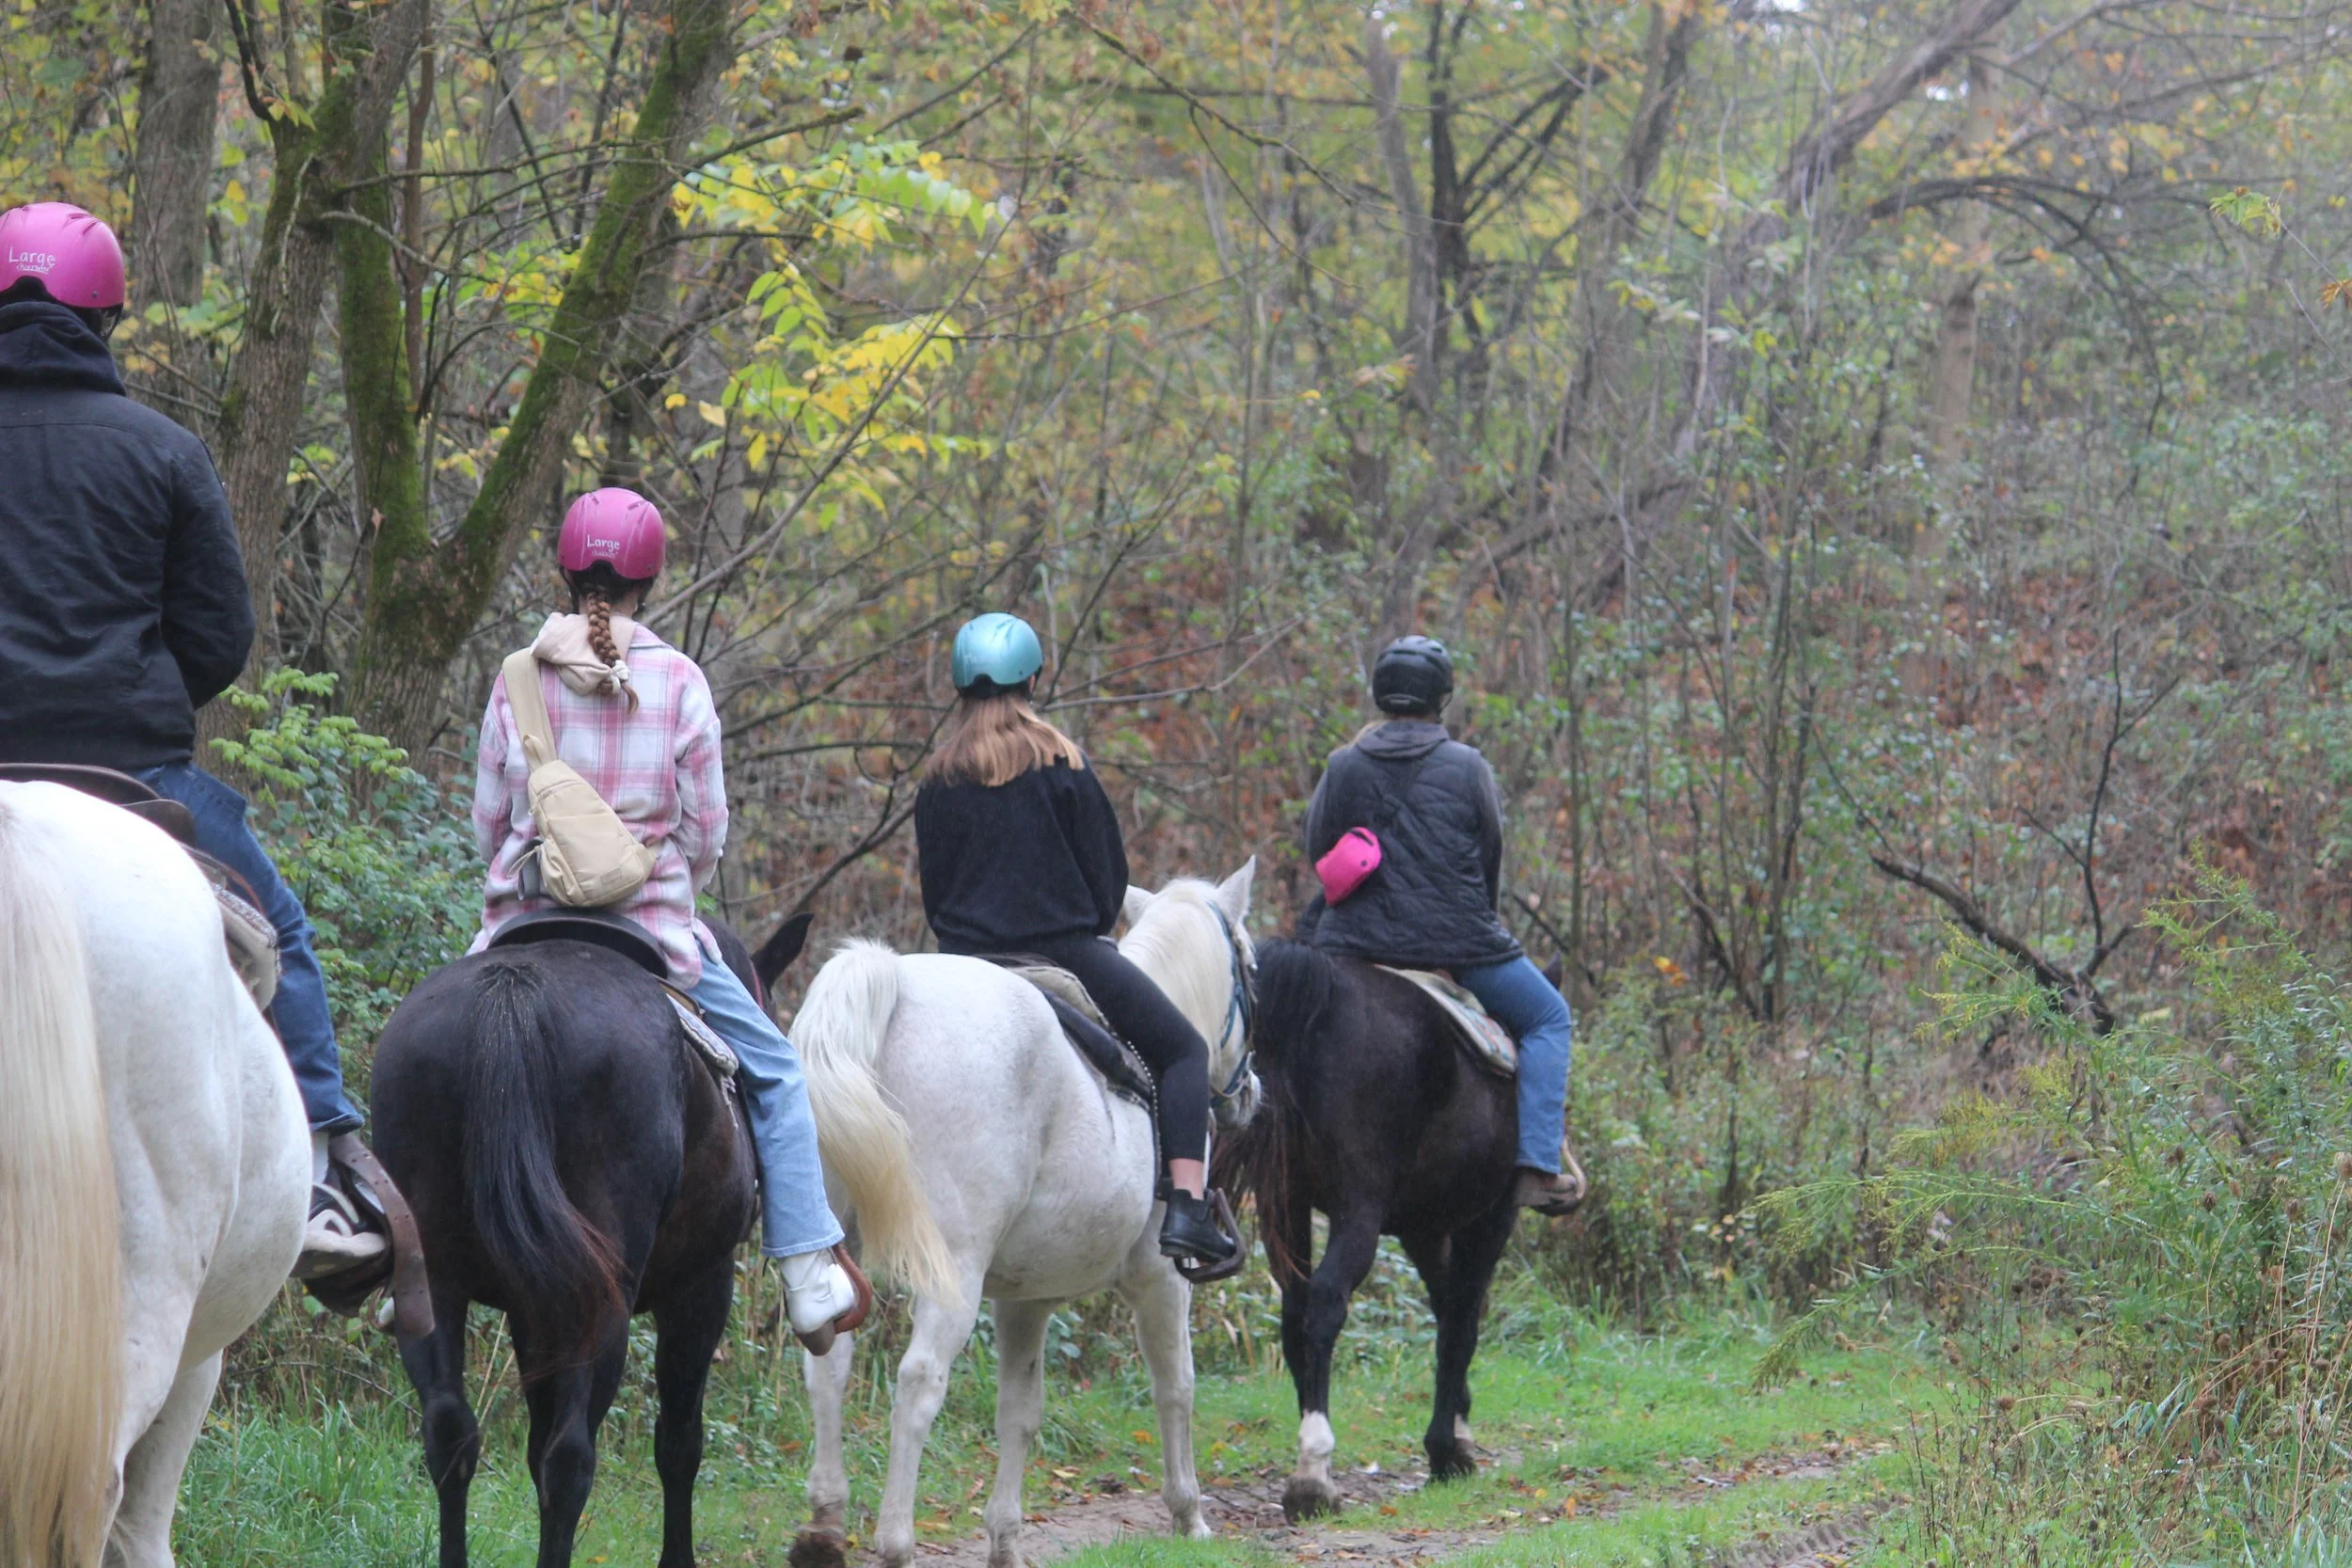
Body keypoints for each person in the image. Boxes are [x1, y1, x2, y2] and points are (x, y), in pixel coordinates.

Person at [0, 201, 386, 1277]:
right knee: (284, 932)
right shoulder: (165, 451)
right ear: (104, 316)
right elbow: (218, 634)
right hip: (135, 772)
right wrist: (137, 694)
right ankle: (324, 1172)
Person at [469, 486, 859, 1338]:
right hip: (651, 934)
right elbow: (705, 832)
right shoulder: (680, 681)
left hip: (521, 922)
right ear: (649, 576)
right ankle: (806, 1269)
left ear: (567, 570)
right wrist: (666, 876)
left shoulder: (518, 678)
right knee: (778, 1072)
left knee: (438, 1046)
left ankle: (410, 1253)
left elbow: (488, 823)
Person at [912, 612, 1237, 1267]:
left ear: (958, 684)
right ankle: (1187, 1209)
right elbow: (1109, 883)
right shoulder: (1064, 763)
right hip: (1066, 953)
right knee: (1182, 1050)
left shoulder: (937, 779)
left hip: (963, 963)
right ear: (1035, 676)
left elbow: (936, 894)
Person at [1297, 636, 1581, 1214]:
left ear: (1380, 694)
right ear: (1442, 698)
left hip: (1350, 944)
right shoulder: (1468, 766)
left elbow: (1318, 849)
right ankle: (1537, 1167)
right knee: (1550, 1017)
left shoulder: (1342, 765)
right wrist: (1481, 924)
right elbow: (1489, 857)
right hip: (1458, 941)